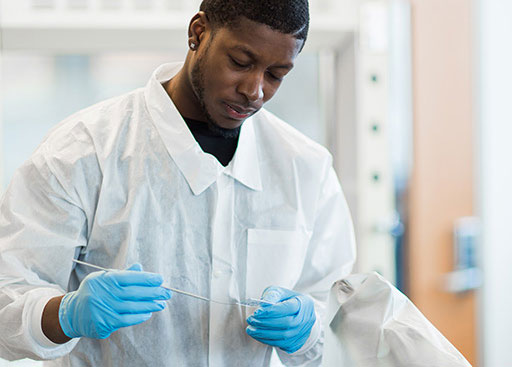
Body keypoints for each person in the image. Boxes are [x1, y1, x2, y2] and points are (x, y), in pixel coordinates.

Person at [0, 0, 356, 365]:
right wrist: (64, 315)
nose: (255, 90)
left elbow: (338, 326)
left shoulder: (305, 168)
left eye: (276, 74)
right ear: (198, 33)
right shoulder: (83, 152)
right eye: (240, 62)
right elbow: (7, 300)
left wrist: (308, 328)